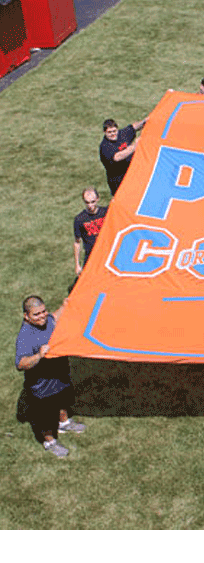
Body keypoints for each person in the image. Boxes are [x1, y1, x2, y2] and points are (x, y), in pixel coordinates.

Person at [15, 296, 85, 458]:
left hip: (59, 376)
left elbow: (56, 316)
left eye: (43, 311)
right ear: (26, 316)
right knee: (45, 415)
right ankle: (49, 441)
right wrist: (39, 355)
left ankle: (64, 423)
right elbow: (21, 364)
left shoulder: (48, 320)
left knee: (62, 400)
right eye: (36, 314)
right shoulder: (26, 336)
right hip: (42, 385)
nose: (42, 316)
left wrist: (66, 303)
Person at [98, 116, 148, 195]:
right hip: (118, 182)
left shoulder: (122, 134)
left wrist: (145, 120)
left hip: (133, 175)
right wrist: (135, 146)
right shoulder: (105, 147)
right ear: (104, 132)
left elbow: (133, 127)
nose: (113, 134)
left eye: (114, 131)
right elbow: (117, 157)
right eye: (109, 132)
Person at [73, 187, 107, 275]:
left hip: (107, 253)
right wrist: (77, 265)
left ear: (97, 199)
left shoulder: (106, 212)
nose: (90, 205)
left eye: (93, 202)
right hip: (91, 256)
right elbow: (77, 243)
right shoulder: (79, 219)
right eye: (87, 202)